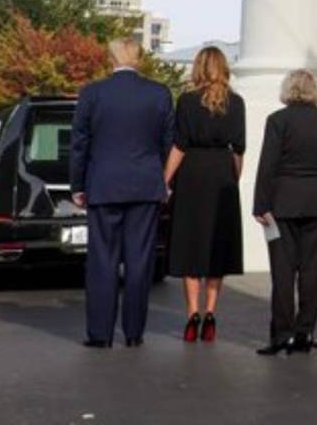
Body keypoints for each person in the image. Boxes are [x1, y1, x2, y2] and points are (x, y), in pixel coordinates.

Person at [69, 37, 174, 349]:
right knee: (140, 260)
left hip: (103, 184)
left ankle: (100, 333)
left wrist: (77, 185)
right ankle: (134, 332)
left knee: (103, 260)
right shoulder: (159, 93)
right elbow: (168, 142)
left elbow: (79, 143)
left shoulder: (92, 93)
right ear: (139, 58)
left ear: (111, 58)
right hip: (145, 185)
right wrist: (165, 182)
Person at [253, 70, 317, 355]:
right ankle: (305, 332)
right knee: (312, 272)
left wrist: (260, 204)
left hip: (284, 203)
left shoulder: (277, 120)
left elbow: (268, 164)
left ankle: (282, 334)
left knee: (282, 271)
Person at [162, 46, 246, 343]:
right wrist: (234, 178)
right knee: (217, 244)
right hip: (222, 173)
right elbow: (238, 149)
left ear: (198, 67)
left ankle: (191, 315)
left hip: (192, 174)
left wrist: (165, 179)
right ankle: (210, 313)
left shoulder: (186, 101)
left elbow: (179, 145)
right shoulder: (236, 103)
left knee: (190, 243)